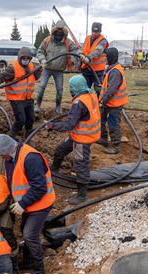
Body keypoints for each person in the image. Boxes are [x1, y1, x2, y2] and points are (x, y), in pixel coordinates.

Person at [0, 134, 55, 274]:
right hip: (30, 204)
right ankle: (27, 260)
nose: (1, 158)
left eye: (2, 155)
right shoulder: (11, 158)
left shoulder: (30, 158)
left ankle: (38, 269)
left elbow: (40, 188)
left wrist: (22, 204)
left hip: (41, 204)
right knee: (24, 230)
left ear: (8, 150)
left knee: (29, 235)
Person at [46, 75, 100, 205]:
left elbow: (69, 125)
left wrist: (53, 126)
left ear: (75, 88)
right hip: (82, 134)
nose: (70, 90)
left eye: (71, 88)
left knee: (80, 165)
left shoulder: (79, 103)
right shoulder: (90, 95)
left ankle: (82, 195)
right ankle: (54, 171)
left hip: (83, 138)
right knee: (61, 150)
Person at [35, 20, 81, 115]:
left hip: (59, 71)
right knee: (42, 86)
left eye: (61, 35)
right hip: (47, 69)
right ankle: (37, 105)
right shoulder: (47, 40)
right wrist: (42, 59)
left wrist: (79, 56)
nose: (58, 37)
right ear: (54, 32)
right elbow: (40, 51)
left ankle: (58, 106)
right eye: (57, 34)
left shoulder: (68, 43)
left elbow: (76, 51)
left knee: (60, 89)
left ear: (64, 34)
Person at [0, 47, 41, 139]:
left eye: (27, 58)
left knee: (30, 119)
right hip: (16, 99)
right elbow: (1, 78)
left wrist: (40, 69)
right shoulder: (12, 68)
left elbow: (36, 77)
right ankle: (9, 137)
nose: (26, 60)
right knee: (21, 120)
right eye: (24, 58)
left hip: (28, 98)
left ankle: (28, 138)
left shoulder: (31, 66)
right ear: (19, 58)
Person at [97, 47, 129, 155]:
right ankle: (103, 139)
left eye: (106, 56)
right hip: (108, 102)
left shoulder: (115, 72)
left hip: (114, 104)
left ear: (111, 57)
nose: (105, 58)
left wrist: (103, 100)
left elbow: (111, 90)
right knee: (101, 119)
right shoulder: (111, 68)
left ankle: (115, 146)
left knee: (113, 124)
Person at [80, 22, 109, 96]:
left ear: (100, 31)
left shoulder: (103, 41)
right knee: (84, 89)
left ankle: (100, 105)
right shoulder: (87, 38)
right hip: (86, 68)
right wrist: (82, 56)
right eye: (93, 31)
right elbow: (84, 49)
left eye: (96, 32)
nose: (94, 33)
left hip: (98, 70)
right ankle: (85, 105)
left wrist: (88, 58)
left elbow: (97, 51)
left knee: (98, 89)